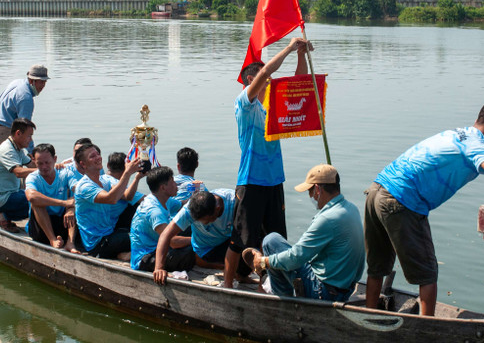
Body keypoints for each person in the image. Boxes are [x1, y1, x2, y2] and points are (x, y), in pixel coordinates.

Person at [364, 102, 484, 316]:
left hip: (377, 190)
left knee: (377, 267)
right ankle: (428, 330)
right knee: (427, 275)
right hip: (401, 200)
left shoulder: (457, 134)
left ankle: (368, 315)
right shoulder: (476, 146)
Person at [223, 37, 312, 288]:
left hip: (274, 179)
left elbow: (298, 84)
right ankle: (227, 284)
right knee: (239, 238)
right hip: (251, 179)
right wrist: (288, 46)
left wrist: (300, 54)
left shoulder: (272, 105)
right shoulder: (244, 103)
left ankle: (272, 282)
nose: (271, 81)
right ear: (252, 81)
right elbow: (265, 71)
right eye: (266, 79)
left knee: (275, 236)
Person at [242, 164, 365, 301]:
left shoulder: (327, 219)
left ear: (317, 189)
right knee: (280, 254)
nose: (310, 195)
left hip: (323, 292)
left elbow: (296, 257)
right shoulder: (352, 209)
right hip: (345, 289)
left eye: (310, 191)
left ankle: (283, 298)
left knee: (271, 241)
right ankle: (275, 282)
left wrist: (264, 261)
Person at [73, 143, 145, 259]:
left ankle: (124, 254)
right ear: (83, 164)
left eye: (98, 154)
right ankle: (126, 255)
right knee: (144, 236)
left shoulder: (105, 180)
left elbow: (127, 196)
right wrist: (127, 173)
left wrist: (137, 177)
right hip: (98, 244)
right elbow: (111, 199)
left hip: (111, 233)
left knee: (138, 210)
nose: (98, 158)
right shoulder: (84, 186)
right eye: (92, 156)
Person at [153, 189, 236, 284]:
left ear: (217, 209)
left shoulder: (234, 202)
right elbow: (166, 234)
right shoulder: (188, 210)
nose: (205, 224)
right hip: (206, 250)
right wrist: (159, 268)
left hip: (228, 242)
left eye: (208, 220)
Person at [129, 166, 194, 273]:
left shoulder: (164, 199)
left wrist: (195, 198)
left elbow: (182, 205)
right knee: (190, 251)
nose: (176, 184)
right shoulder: (154, 211)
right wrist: (198, 240)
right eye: (172, 182)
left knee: (192, 226)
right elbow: (172, 242)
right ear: (163, 188)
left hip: (160, 245)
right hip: (146, 257)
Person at [25, 143, 78, 252]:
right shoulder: (33, 177)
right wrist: (63, 203)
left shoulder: (65, 174)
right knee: (37, 203)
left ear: (55, 159)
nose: (44, 167)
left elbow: (79, 191)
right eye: (40, 163)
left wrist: (71, 209)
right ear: (34, 161)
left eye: (47, 162)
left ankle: (70, 242)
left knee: (72, 203)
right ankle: (53, 239)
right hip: (41, 227)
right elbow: (31, 197)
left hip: (62, 222)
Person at [0, 118, 37, 232]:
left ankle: (4, 216)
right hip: (2, 198)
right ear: (18, 133)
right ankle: (4, 215)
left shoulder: (17, 149)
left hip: (12, 193)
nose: (31, 140)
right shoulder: (8, 150)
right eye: (29, 136)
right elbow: (19, 172)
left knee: (40, 195)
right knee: (39, 200)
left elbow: (32, 165)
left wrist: (53, 166)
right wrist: (43, 172)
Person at [0, 64, 49, 156]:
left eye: (45, 82)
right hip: (5, 130)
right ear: (31, 80)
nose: (43, 86)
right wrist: (32, 153)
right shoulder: (26, 98)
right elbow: (25, 128)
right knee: (13, 165)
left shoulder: (17, 82)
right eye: (40, 82)